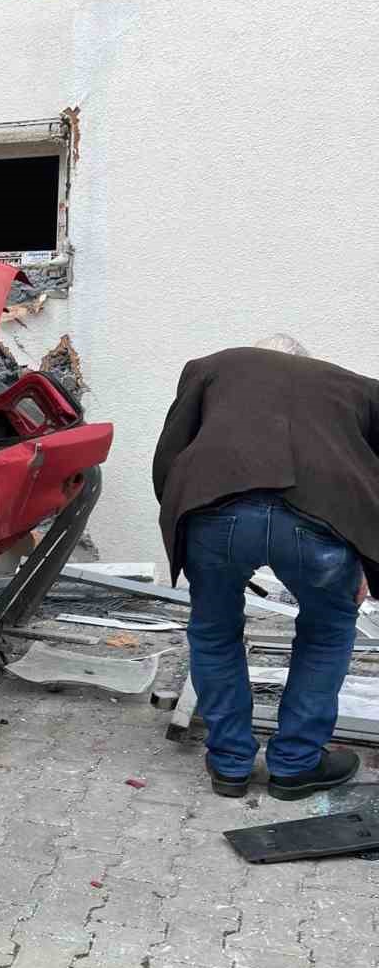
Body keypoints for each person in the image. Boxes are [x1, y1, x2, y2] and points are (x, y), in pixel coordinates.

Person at [153, 335, 379, 799]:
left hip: (216, 506)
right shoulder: (358, 389)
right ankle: (296, 764)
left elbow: (170, 455)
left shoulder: (212, 364)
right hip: (324, 514)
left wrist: (182, 526)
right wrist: (367, 560)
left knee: (214, 631)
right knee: (327, 632)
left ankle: (230, 763)